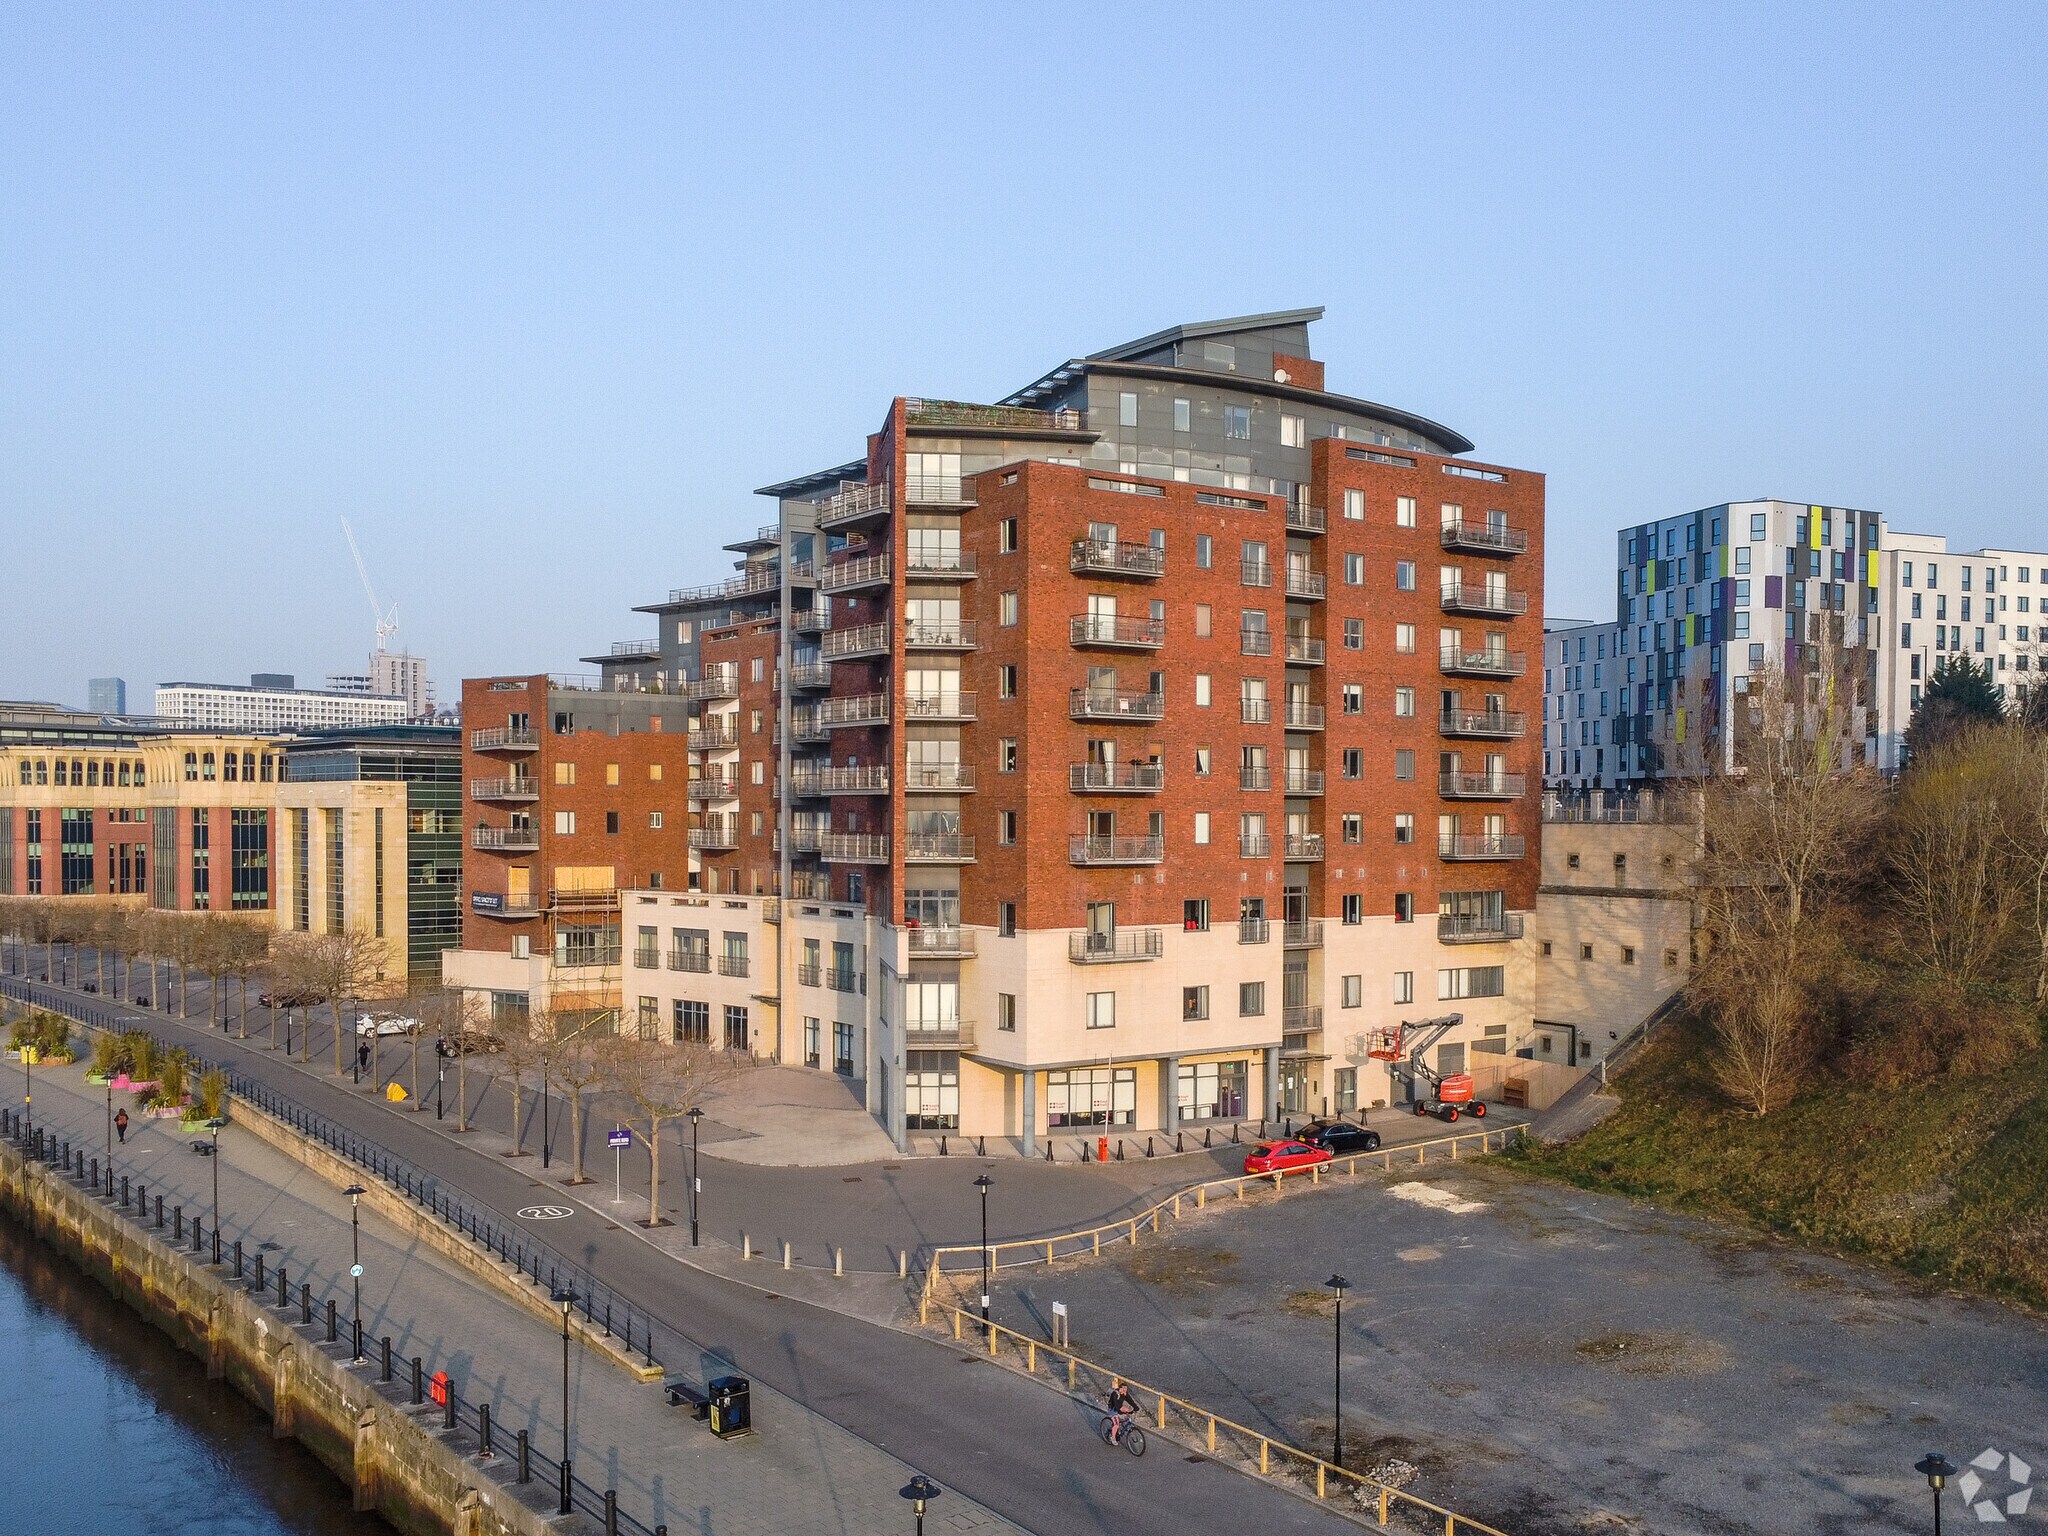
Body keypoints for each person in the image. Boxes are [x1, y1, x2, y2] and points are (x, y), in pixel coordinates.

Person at [1105, 1378, 1137, 1443]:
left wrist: (1136, 1408)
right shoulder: (1115, 1394)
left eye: (1126, 1390)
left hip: (1119, 1407)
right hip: (1113, 1409)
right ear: (1120, 1388)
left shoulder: (1124, 1393)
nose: (1125, 1391)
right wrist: (1120, 1412)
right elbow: (1116, 1405)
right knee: (1116, 1424)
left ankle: (1123, 1423)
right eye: (1124, 1390)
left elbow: (1130, 1401)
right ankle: (1113, 1438)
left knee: (1127, 1410)